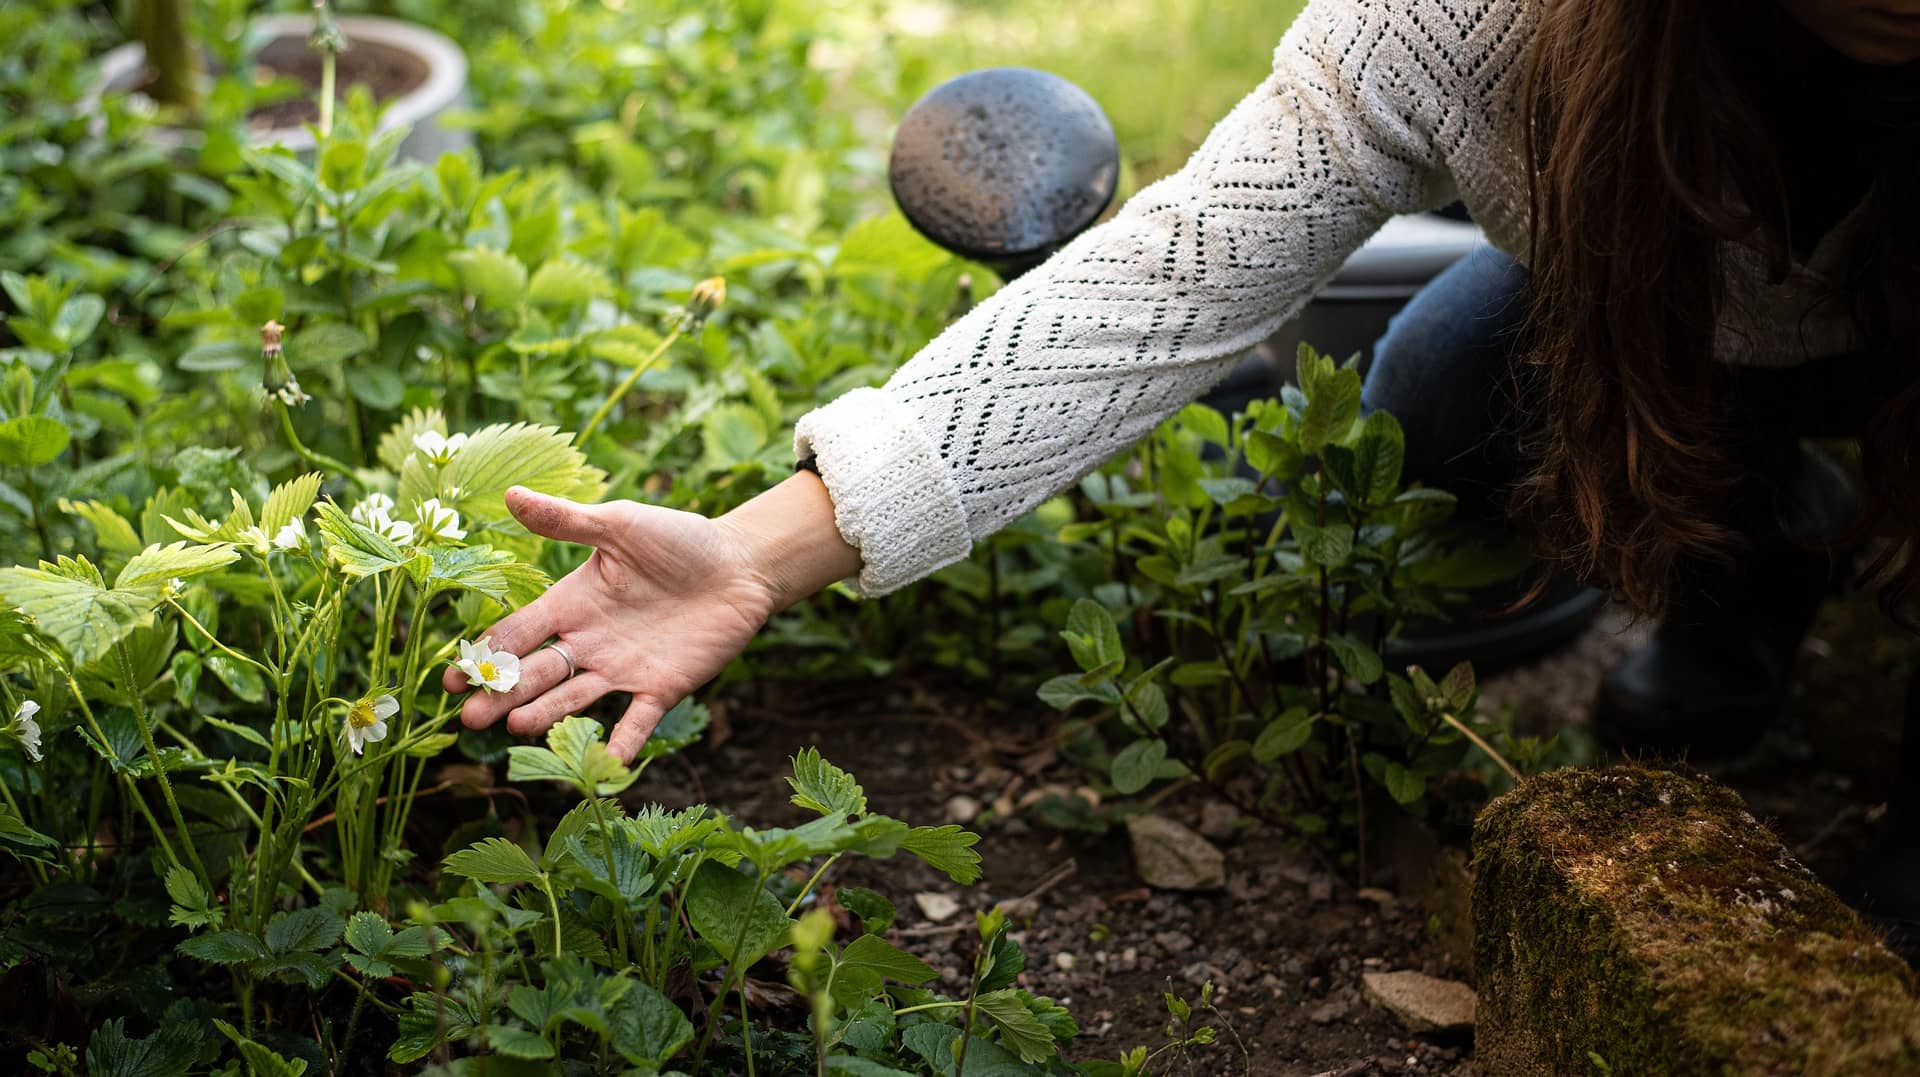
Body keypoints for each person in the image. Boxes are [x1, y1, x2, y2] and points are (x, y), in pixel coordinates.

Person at [444, 0, 1919, 927]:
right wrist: (762, 543)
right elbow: (1163, 281)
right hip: (1661, 312)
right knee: (1440, 392)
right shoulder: (1471, 24)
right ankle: (1762, 552)